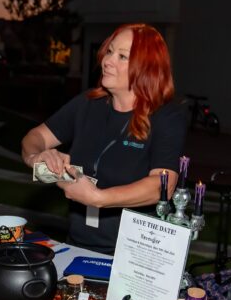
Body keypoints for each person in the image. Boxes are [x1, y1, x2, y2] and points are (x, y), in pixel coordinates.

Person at [21, 23, 187, 254]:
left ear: (147, 67)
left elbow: (162, 185)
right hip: (78, 245)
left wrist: (98, 198)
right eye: (109, 52)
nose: (107, 61)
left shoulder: (166, 116)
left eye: (122, 56)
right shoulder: (88, 103)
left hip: (134, 255)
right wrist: (37, 157)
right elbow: (35, 136)